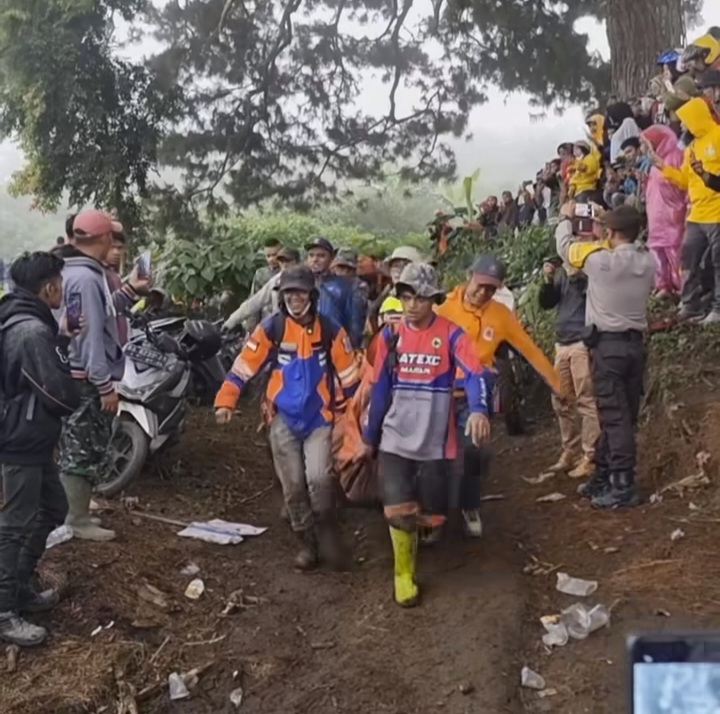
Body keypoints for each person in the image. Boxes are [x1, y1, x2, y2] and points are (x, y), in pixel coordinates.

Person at [356, 263, 492, 607]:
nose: (412, 305)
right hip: (395, 437)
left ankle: (430, 525)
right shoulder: (390, 336)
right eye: (406, 297)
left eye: (419, 298)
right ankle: (404, 574)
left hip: (434, 441)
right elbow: (381, 388)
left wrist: (478, 409)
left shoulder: (451, 334)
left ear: (433, 300)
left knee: (432, 507)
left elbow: (476, 373)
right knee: (399, 508)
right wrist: (370, 437)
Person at [215, 266, 360, 570]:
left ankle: (328, 532)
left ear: (312, 295)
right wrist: (226, 400)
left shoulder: (331, 330)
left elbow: (350, 377)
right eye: (289, 292)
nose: (294, 298)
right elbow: (244, 366)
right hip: (282, 418)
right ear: (282, 297)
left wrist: (352, 419)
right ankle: (307, 544)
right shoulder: (271, 328)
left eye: (300, 292)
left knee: (320, 479)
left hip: (320, 417)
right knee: (293, 486)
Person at [436, 256, 562, 536]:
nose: (483, 293)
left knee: (476, 450)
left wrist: (556, 383)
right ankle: (435, 513)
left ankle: (469, 505)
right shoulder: (442, 309)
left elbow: (529, 349)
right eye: (480, 285)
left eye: (491, 290)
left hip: (476, 395)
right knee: (436, 455)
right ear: (469, 275)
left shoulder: (501, 315)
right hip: (439, 394)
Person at [0, 252, 81, 646]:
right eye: (60, 283)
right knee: (13, 526)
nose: (63, 290)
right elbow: (59, 395)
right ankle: (3, 611)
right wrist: (75, 386)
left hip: (30, 437)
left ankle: (19, 589)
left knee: (54, 508)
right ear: (48, 287)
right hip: (20, 442)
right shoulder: (30, 331)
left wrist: (63, 339)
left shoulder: (25, 321)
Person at [556, 203, 655, 509]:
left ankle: (622, 483)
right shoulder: (648, 261)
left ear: (610, 233)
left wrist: (564, 217)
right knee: (622, 413)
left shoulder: (600, 261)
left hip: (608, 348)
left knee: (614, 417)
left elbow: (565, 247)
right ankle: (604, 472)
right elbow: (630, 244)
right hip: (634, 347)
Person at [58, 210, 147, 541]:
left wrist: (129, 292)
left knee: (82, 445)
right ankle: (76, 518)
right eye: (112, 236)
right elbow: (89, 336)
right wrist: (104, 385)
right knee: (81, 447)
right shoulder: (85, 278)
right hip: (86, 378)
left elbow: (103, 313)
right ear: (104, 239)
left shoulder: (83, 273)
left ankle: (77, 511)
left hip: (82, 374)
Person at [651, 95, 720, 323]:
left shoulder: (718, 136)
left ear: (695, 118)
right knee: (688, 259)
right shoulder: (691, 148)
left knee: (717, 261)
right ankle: (690, 305)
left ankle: (717, 309)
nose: (681, 126)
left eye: (684, 121)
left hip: (717, 213)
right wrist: (662, 167)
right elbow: (685, 181)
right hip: (696, 214)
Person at [539, 259, 601, 479]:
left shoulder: (593, 263)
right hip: (562, 342)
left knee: (586, 399)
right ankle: (570, 451)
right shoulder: (564, 268)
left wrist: (577, 277)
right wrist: (548, 280)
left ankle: (590, 456)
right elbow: (547, 302)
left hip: (581, 341)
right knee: (561, 399)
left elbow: (596, 296)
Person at [640, 125, 687, 296]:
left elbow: (682, 184)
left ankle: (682, 288)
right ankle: (663, 285)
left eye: (645, 143)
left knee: (675, 252)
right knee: (657, 251)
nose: (642, 148)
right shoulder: (653, 163)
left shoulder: (676, 157)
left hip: (672, 214)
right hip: (656, 215)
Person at [305, 237, 365, 348]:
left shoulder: (345, 287)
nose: (315, 259)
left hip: (335, 347)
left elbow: (355, 325)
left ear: (331, 259)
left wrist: (351, 350)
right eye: (311, 255)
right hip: (306, 347)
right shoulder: (301, 285)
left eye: (321, 256)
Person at [223, 248, 300, 331]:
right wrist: (230, 322)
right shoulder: (276, 281)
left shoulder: (306, 279)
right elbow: (255, 302)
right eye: (282, 261)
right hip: (280, 327)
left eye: (288, 261)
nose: (284, 264)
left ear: (296, 262)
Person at [369, 245, 424, 331]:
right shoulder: (388, 298)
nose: (397, 272)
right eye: (394, 266)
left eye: (404, 266)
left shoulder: (426, 298)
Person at [104, 225, 129, 346]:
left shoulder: (114, 275)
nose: (116, 252)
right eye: (112, 247)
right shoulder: (98, 276)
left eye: (120, 248)